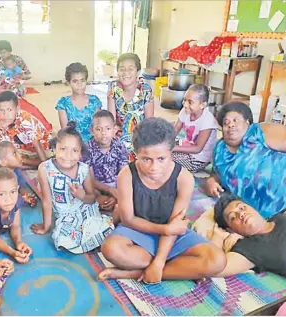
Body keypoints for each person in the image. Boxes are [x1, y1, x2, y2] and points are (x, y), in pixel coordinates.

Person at [98, 118, 226, 283]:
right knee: (111, 249)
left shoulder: (184, 178)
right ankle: (179, 269)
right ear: (136, 154)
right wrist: (164, 229)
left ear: (171, 152)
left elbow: (175, 224)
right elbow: (128, 219)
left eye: (161, 159)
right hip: (138, 230)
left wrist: (158, 261)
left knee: (217, 260)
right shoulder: (126, 175)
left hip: (173, 236)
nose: (154, 167)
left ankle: (135, 273)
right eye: (146, 159)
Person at [204, 101, 286, 219]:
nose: (230, 125)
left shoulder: (260, 132)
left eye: (235, 120)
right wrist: (212, 180)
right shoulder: (219, 149)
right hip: (278, 217)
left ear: (247, 122)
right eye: (226, 123)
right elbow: (218, 172)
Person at [30, 121, 114, 254]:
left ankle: (91, 238)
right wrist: (46, 227)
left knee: (104, 227)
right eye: (63, 149)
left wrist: (81, 196)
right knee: (62, 239)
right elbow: (46, 200)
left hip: (84, 210)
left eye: (74, 150)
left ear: (81, 152)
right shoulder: (45, 168)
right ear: (54, 148)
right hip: (64, 216)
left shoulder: (84, 169)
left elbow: (92, 198)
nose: (68, 156)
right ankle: (92, 241)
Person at [212, 193, 286, 285]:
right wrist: (217, 235)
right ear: (230, 230)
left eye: (242, 208)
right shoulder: (248, 248)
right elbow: (214, 267)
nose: (241, 214)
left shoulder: (280, 217)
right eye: (233, 217)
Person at [107, 53, 154, 161]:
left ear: (137, 72)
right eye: (122, 69)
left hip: (140, 137)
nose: (125, 73)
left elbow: (149, 123)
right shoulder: (113, 87)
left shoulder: (145, 90)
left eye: (130, 69)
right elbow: (111, 119)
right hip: (118, 137)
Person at [0, 168, 33, 264]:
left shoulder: (17, 201)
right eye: (1, 194)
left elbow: (15, 226)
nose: (9, 199)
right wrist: (12, 252)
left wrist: (18, 242)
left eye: (13, 192)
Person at [83, 110, 128, 212]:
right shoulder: (87, 149)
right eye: (98, 129)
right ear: (92, 131)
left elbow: (124, 174)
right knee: (89, 194)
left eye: (108, 129)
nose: (103, 133)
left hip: (117, 184)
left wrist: (117, 194)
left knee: (132, 189)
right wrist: (110, 190)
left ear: (115, 130)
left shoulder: (120, 146)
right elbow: (90, 180)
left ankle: (114, 203)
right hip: (97, 187)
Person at [0, 90, 52, 165]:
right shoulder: (0, 121)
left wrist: (46, 166)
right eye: (1, 110)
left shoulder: (26, 121)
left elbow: (37, 145)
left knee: (7, 162)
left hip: (41, 149)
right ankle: (27, 165)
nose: (5, 114)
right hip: (21, 151)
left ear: (17, 108)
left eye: (9, 110)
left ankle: (35, 164)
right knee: (1, 159)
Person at [172, 84, 218, 173]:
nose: (185, 104)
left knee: (167, 160)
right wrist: (165, 143)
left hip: (199, 158)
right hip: (187, 146)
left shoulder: (207, 120)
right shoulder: (185, 111)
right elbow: (175, 130)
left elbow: (197, 149)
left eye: (190, 102)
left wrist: (172, 148)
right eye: (184, 100)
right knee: (159, 149)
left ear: (202, 105)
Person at [56, 62, 102, 143]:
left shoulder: (94, 102)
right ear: (68, 82)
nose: (79, 84)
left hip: (93, 146)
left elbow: (98, 128)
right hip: (72, 145)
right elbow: (65, 132)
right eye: (75, 81)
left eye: (82, 80)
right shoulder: (63, 104)